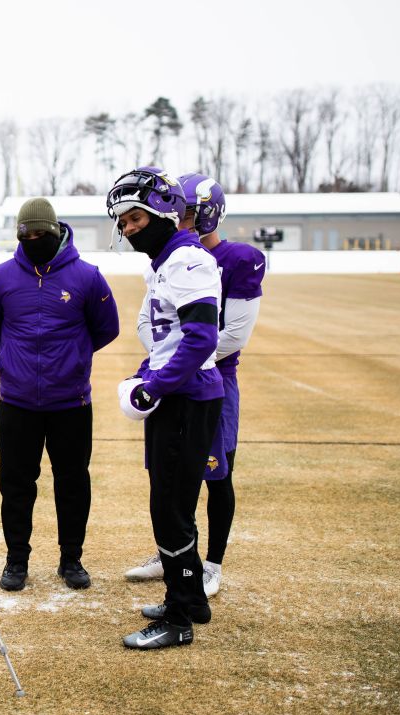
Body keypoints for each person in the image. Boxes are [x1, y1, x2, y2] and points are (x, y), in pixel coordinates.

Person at [125, 173, 265, 601]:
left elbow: (229, 337)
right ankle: (177, 557)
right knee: (168, 484)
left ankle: (210, 564)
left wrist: (178, 365)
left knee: (214, 474)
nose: (178, 219)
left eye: (185, 212)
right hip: (175, 378)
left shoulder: (228, 259)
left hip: (207, 380)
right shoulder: (167, 259)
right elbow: (149, 324)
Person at [0, 198, 120, 592]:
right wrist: (14, 358)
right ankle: (16, 560)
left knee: (73, 482)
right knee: (16, 484)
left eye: (41, 233)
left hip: (71, 402)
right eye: (27, 234)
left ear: (56, 231)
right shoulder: (2, 277)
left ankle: (71, 558)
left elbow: (107, 329)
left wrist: (73, 360)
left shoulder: (87, 276)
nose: (34, 240)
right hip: (17, 402)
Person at [109, 166, 224, 649]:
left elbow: (201, 337)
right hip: (178, 394)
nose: (129, 229)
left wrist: (154, 386)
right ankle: (192, 596)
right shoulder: (167, 262)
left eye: (135, 218)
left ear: (162, 210)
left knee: (170, 507)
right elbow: (170, 336)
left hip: (186, 397)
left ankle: (178, 620)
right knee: (172, 499)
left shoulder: (187, 260)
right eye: (124, 223)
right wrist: (147, 370)